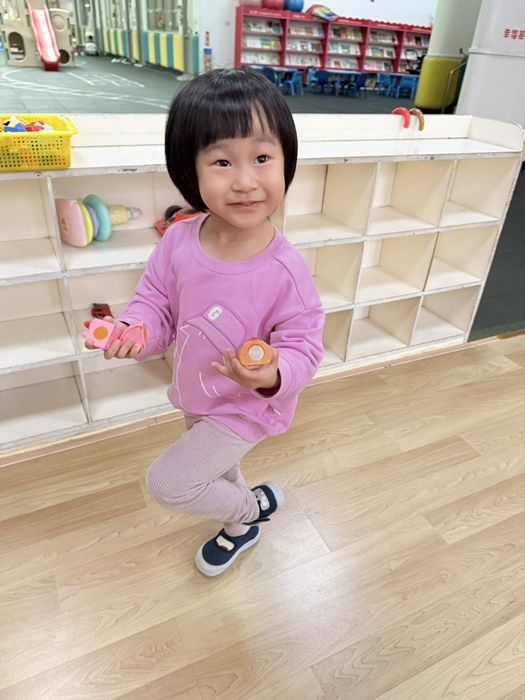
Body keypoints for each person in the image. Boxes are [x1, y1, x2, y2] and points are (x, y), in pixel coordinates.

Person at [85, 68, 325, 577]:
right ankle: (241, 523)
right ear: (188, 170)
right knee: (217, 466)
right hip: (195, 391)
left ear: (286, 161)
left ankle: (249, 512)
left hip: (245, 407)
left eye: (262, 158)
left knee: (170, 483)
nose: (245, 181)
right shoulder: (178, 239)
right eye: (221, 162)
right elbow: (155, 302)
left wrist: (272, 373)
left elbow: (304, 346)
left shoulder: (286, 270)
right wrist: (137, 331)